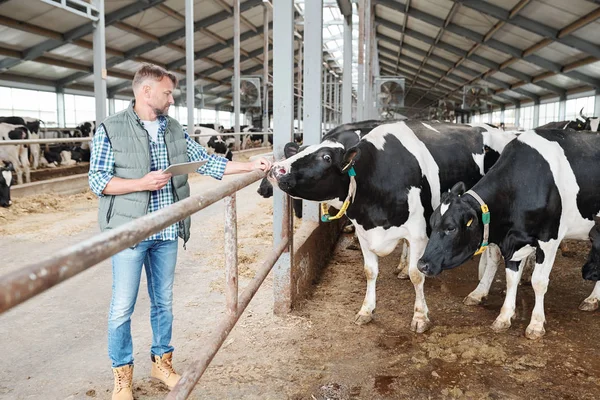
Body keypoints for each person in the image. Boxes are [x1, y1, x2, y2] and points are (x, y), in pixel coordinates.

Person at [88, 64, 272, 400]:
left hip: (168, 230)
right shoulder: (110, 129)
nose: (172, 99)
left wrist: (250, 166)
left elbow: (206, 161)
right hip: (129, 232)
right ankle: (122, 378)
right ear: (146, 92)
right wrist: (140, 183)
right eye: (168, 92)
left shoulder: (173, 128)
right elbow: (98, 181)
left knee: (164, 302)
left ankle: (162, 363)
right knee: (122, 307)